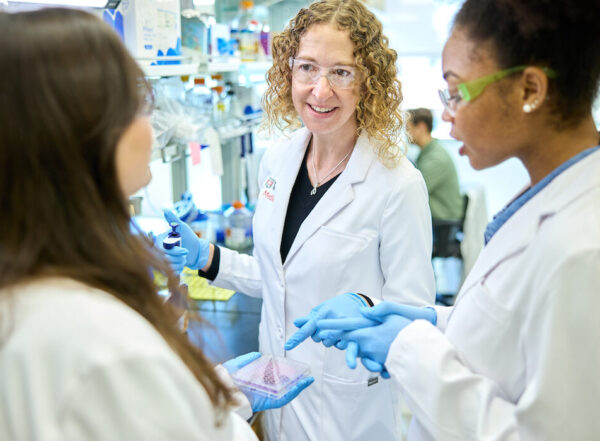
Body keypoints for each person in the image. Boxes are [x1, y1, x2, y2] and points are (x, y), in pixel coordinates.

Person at [0, 8, 312, 441]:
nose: (153, 126)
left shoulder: (30, 287)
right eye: (138, 104)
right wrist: (221, 406)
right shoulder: (100, 339)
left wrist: (210, 394)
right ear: (83, 135)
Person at [301, 0, 600, 439]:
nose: (445, 112)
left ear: (529, 90)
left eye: (457, 91)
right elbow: (510, 341)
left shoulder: (584, 247)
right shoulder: (551, 196)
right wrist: (431, 321)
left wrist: (407, 347)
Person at [159, 0, 435, 440]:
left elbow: (415, 317)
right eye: (307, 67)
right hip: (275, 392)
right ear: (288, 72)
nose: (320, 91)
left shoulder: (397, 183)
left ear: (369, 82)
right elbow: (281, 277)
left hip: (350, 408)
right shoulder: (278, 159)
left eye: (341, 72)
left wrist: (364, 309)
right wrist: (208, 257)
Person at [406, 108, 463, 221]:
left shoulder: (435, 158)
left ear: (421, 127)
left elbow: (414, 192)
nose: (406, 133)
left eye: (408, 128)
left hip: (442, 222)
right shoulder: (428, 152)